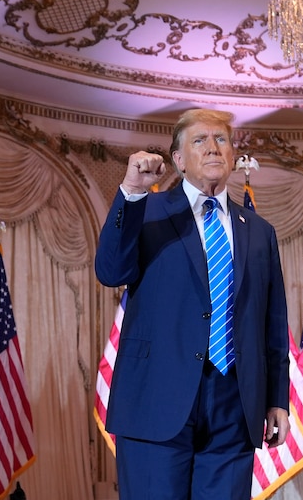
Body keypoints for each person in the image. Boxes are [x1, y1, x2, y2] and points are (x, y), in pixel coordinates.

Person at [95, 108, 290, 500]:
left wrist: (276, 400)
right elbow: (110, 270)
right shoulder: (146, 211)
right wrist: (132, 191)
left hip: (234, 403)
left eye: (221, 139)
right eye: (199, 140)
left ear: (233, 155)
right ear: (179, 161)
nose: (213, 147)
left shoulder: (260, 233)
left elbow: (272, 322)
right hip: (156, 400)